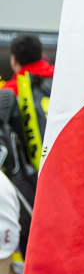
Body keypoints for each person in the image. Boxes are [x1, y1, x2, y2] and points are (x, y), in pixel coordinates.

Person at [0, 34, 54, 172]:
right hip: (66, 155)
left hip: (33, 169)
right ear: (41, 56)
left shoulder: (9, 91)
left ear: (13, 60)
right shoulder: (59, 79)